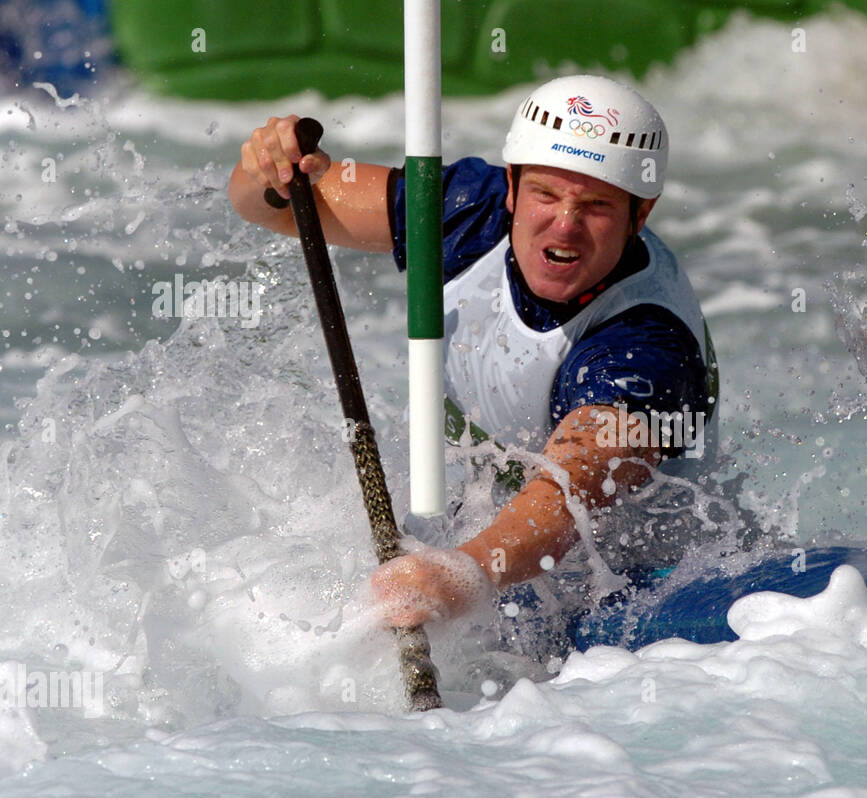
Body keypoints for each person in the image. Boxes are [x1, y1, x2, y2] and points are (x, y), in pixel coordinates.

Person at [228, 75, 718, 634]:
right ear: (510, 187)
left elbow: (573, 489)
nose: (564, 225)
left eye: (597, 205)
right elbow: (272, 208)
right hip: (488, 546)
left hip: (640, 585)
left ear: (641, 213)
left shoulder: (644, 343)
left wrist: (460, 573)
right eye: (545, 194)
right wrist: (266, 168)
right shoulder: (466, 213)